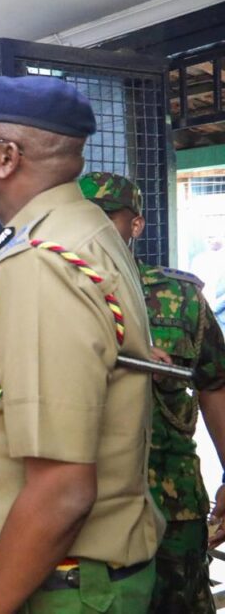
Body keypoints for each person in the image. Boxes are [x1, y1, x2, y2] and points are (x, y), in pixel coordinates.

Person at [0, 76, 164, 613]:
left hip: (59, 584)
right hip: (60, 572)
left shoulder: (41, 263)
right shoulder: (85, 231)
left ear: (7, 157)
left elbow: (62, 489)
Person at [79, 171, 225, 614]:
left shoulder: (177, 297)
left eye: (109, 217)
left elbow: (215, 384)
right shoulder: (46, 295)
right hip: (82, 503)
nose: (96, 229)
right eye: (84, 217)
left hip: (168, 501)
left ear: (135, 225)